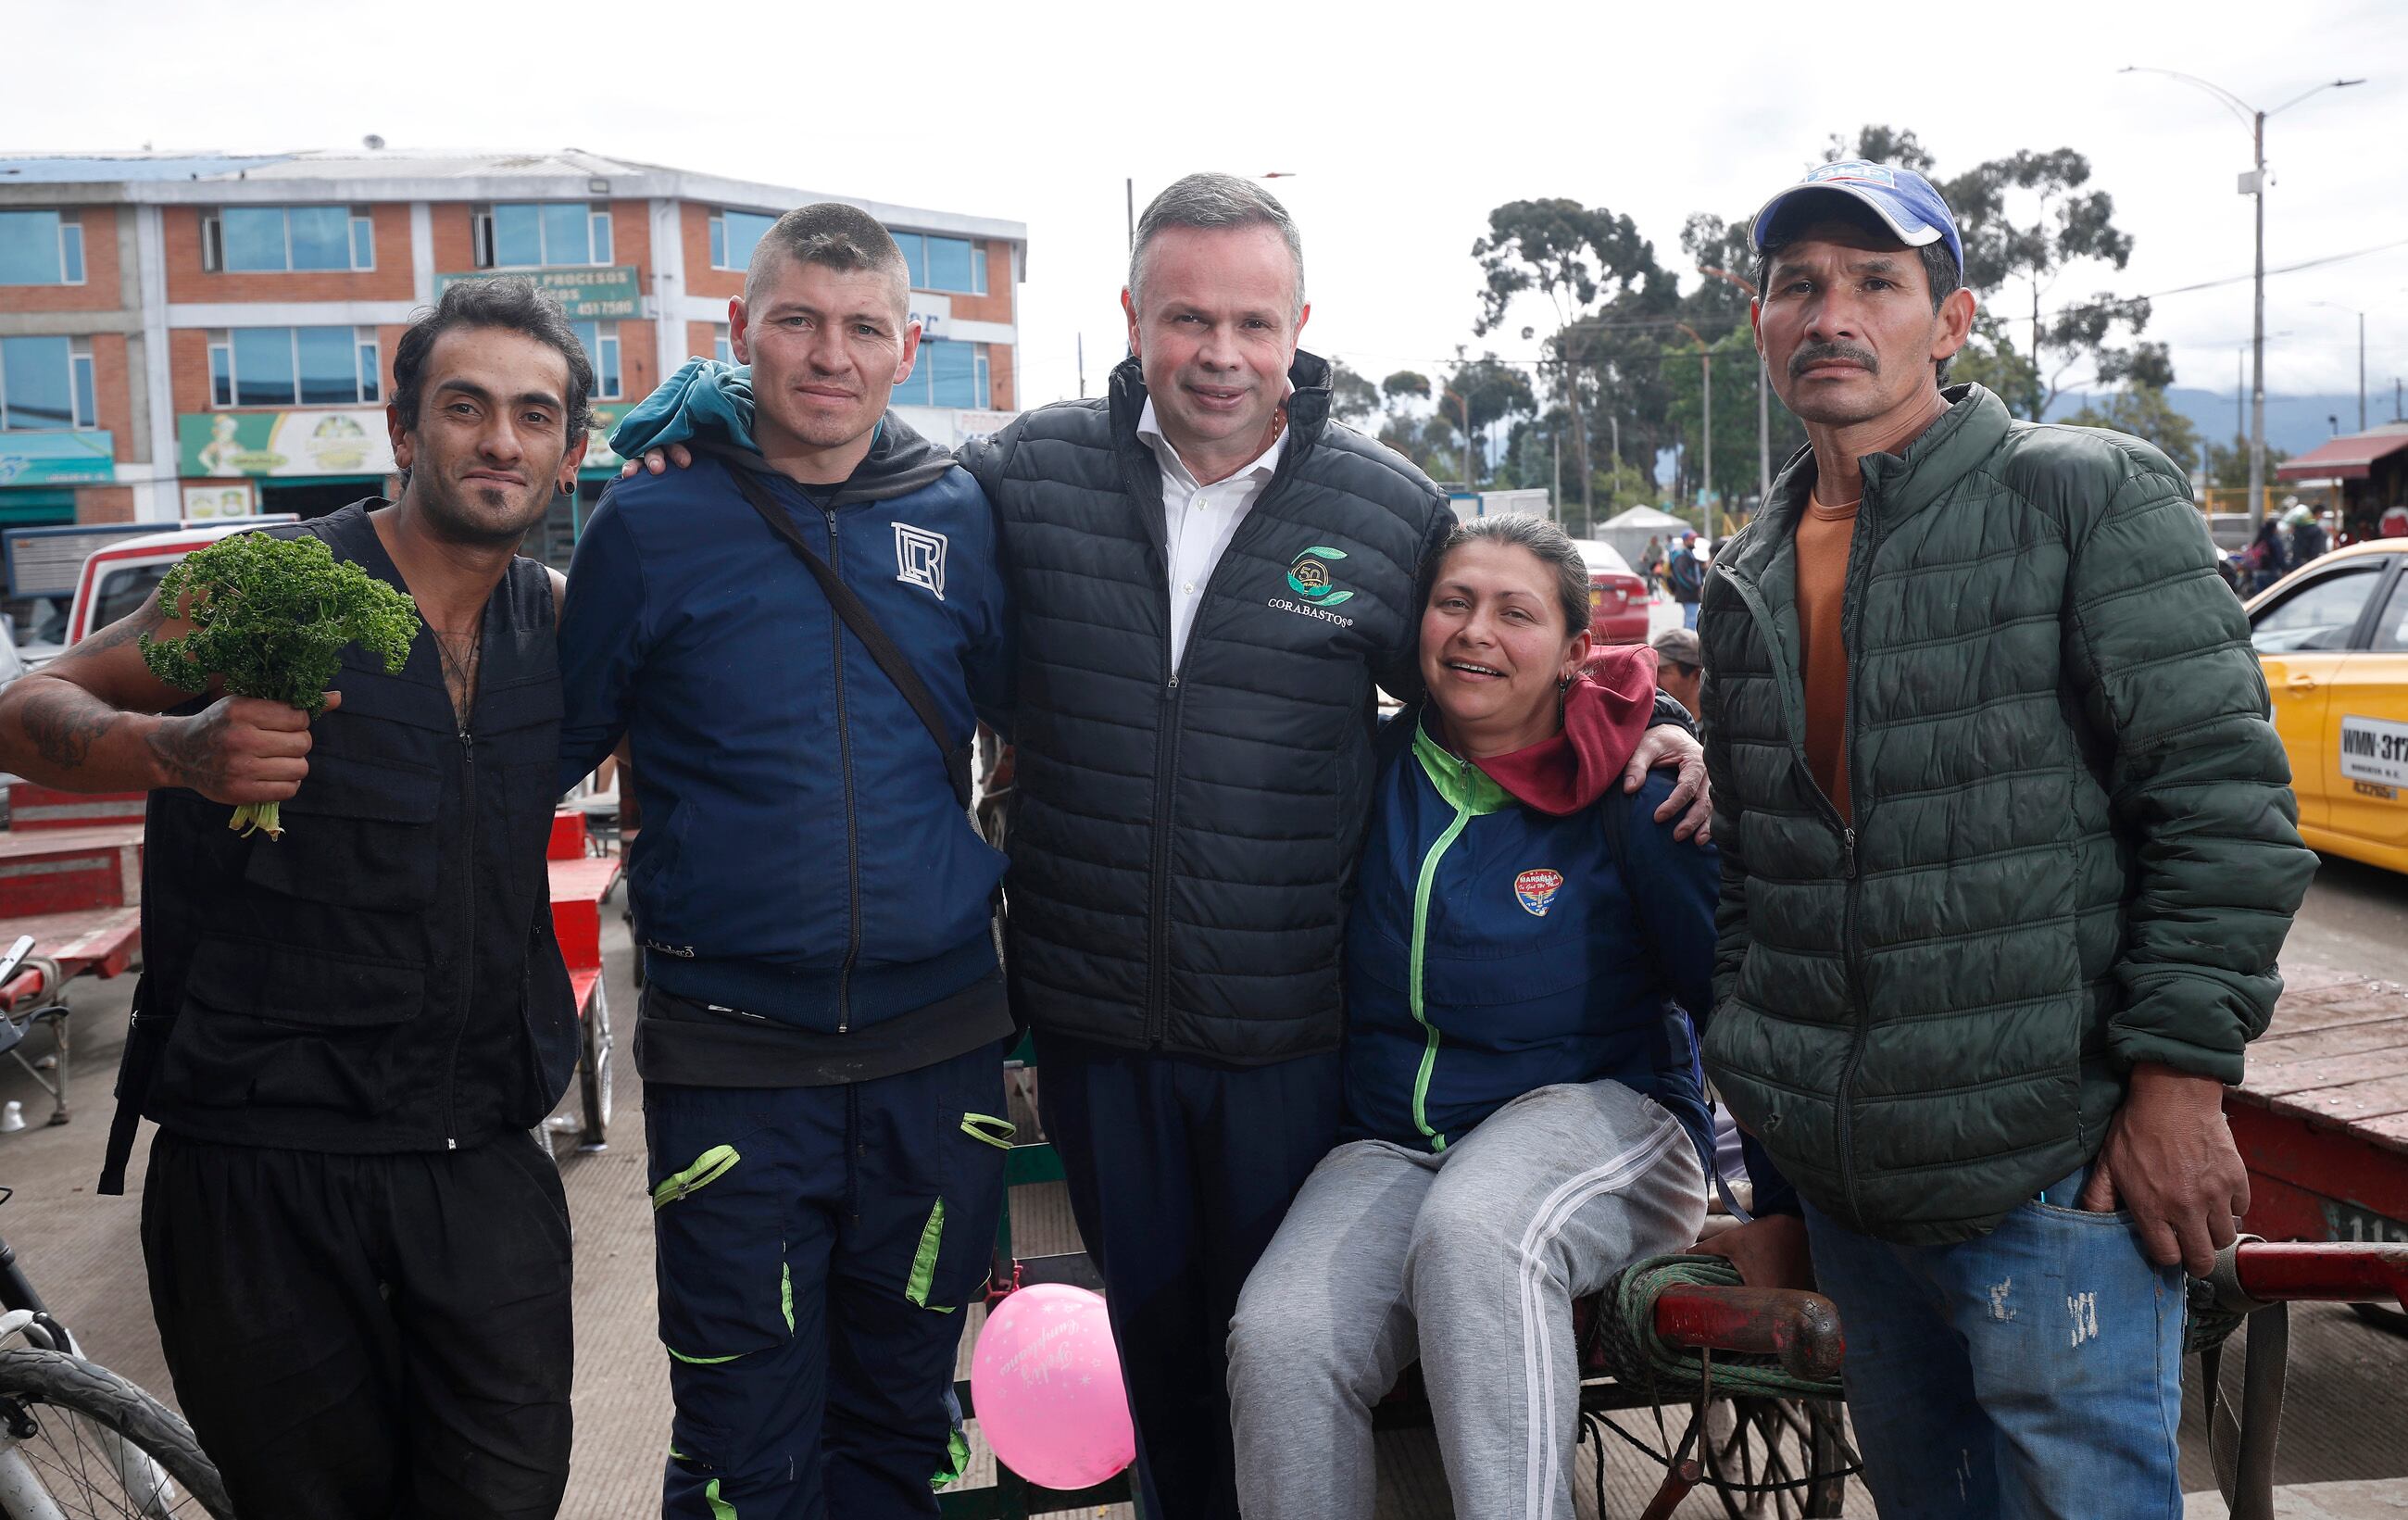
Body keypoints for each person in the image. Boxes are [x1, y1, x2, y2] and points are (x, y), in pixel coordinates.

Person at [618, 173, 1711, 1520]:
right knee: (1160, 1362)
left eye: (1254, 323)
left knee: (1278, 1352)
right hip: (1092, 1026)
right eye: (1188, 317)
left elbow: (1496, 678)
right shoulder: (1023, 475)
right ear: (1132, 315)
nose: (1221, 354)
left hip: (1286, 1026)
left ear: (1299, 326)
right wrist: (714, 414)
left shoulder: (1386, 511)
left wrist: (1649, 725)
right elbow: (857, 471)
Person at [1698, 158, 2317, 1519]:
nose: (1832, 314)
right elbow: (1756, 882)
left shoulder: (2080, 495)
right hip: (1860, 1201)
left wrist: (2176, 1087)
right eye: (1798, 285)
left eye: (1877, 282)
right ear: (1760, 324)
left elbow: (2224, 808)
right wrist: (1772, 1117)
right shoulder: (1744, 574)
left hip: (2053, 1180)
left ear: (1954, 319)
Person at [0, 276, 590, 1518]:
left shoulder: (559, 627)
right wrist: (175, 751)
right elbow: (27, 707)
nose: (500, 440)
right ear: (403, 429)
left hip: (480, 1162)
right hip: (262, 1171)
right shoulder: (271, 587)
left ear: (570, 451)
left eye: (534, 415)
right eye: (465, 405)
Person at [558, 205, 1012, 1519]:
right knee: (743, 1443)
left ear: (907, 345)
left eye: (862, 325)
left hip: (939, 1055)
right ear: (738, 332)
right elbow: (544, 748)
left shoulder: (960, 514)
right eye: (798, 320)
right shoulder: (650, 526)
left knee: (903, 1427)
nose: (830, 354)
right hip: (735, 1064)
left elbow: (1036, 723)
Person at [1226, 515, 1793, 1520]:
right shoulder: (1370, 769)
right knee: (1278, 1340)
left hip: (1612, 1121)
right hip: (1397, 1143)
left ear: (1577, 651)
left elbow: (1731, 997)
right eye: (1454, 603)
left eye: (1513, 612)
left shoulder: (1639, 788)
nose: (1474, 632)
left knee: (1476, 1229)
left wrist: (1783, 1209)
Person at [1649, 625, 1702, 716]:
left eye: (1663, 671)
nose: (1653, 679)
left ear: (1696, 676)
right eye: (1651, 669)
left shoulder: (1718, 724)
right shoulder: (1648, 721)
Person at [1666, 528, 1706, 627]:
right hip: (1688, 593)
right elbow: (1681, 575)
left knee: (1689, 619)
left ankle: (1685, 641)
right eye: (1691, 539)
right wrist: (1696, 586)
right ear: (1685, 540)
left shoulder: (1688, 553)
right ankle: (1689, 642)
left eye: (1694, 539)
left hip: (1690, 593)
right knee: (1692, 621)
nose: (1694, 541)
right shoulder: (1681, 555)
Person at [2247, 515, 2289, 594]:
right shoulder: (2274, 540)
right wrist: (2285, 569)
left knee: (2261, 597)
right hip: (2271, 572)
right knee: (2273, 596)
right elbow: (2279, 557)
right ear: (2273, 528)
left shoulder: (2259, 540)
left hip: (2257, 573)